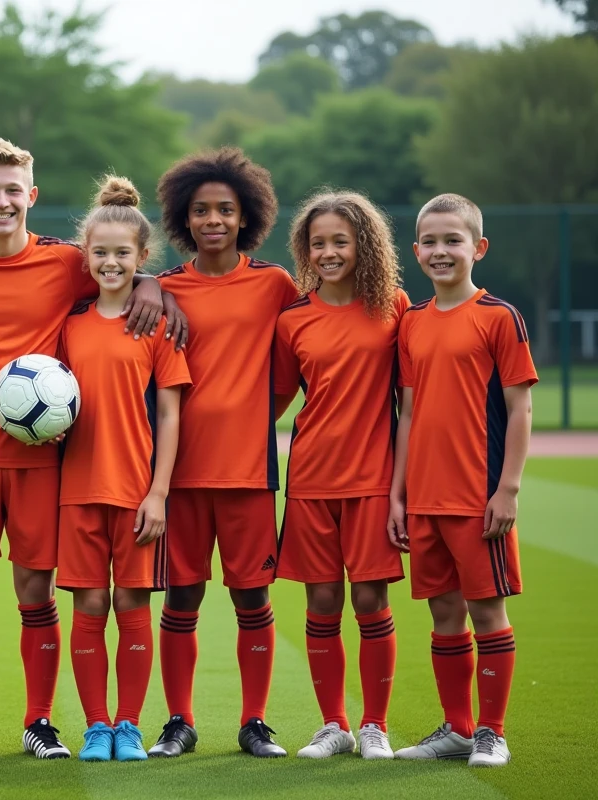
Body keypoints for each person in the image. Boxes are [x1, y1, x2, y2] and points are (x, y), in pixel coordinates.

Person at [0, 137, 186, 760]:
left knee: (36, 595)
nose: (2, 201)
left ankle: (41, 722)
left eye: (14, 190)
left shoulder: (67, 263)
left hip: (44, 465)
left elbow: (117, 260)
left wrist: (150, 285)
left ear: (31, 196)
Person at [151, 147, 298, 758]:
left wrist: (249, 417)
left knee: (251, 598)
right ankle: (179, 721)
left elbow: (291, 370)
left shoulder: (274, 285)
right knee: (182, 597)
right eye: (202, 209)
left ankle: (255, 722)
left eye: (226, 210)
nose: (213, 219)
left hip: (248, 471)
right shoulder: (160, 289)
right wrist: (142, 282)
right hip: (178, 476)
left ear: (247, 217)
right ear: (185, 218)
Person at [390, 193, 536, 768]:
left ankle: (491, 733)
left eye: (453, 240)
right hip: (424, 497)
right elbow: (407, 412)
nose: (440, 251)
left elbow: (520, 410)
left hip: (479, 496)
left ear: (478, 248)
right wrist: (400, 494)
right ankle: (456, 727)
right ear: (417, 249)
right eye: (430, 241)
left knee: (486, 612)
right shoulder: (412, 322)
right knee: (444, 614)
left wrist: (508, 488)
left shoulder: (499, 317)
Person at [57, 177, 190, 763]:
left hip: (136, 491)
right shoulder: (70, 325)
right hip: (77, 492)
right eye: (100, 252)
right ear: (86, 257)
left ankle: (130, 725)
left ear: (142, 258)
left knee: (133, 607)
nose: (110, 262)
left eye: (122, 253)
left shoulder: (155, 324)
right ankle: (96, 726)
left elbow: (169, 409)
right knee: (88, 608)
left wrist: (159, 493)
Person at [272, 191, 408, 760]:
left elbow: (410, 405)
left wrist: (400, 491)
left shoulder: (393, 308)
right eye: (317, 243)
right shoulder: (292, 320)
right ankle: (335, 724)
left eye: (340, 242)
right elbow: (271, 403)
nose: (328, 252)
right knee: (322, 601)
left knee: (371, 600)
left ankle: (374, 725)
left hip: (373, 482)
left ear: (364, 245)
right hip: (310, 480)